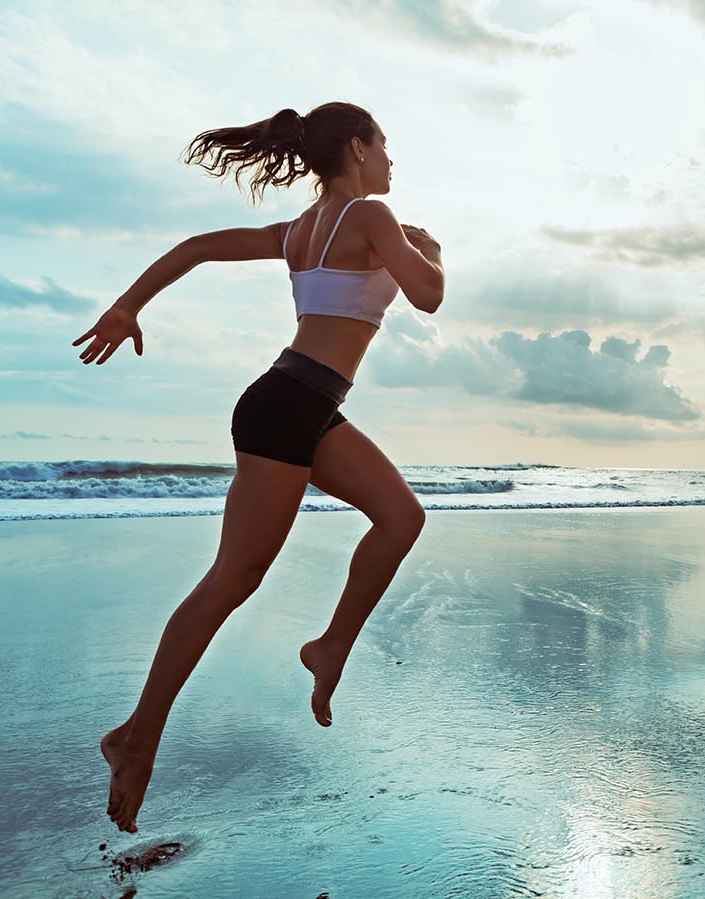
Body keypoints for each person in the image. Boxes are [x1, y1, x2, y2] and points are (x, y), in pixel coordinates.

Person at [72, 102, 445, 834]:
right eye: (386, 145)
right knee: (232, 579)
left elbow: (197, 247)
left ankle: (329, 645)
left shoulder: (301, 232)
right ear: (359, 148)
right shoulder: (370, 216)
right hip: (287, 405)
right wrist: (429, 250)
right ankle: (137, 733)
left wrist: (128, 304)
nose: (393, 161)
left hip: (304, 404)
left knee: (402, 516)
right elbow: (429, 295)